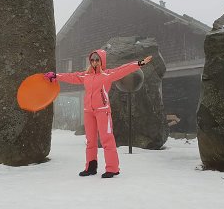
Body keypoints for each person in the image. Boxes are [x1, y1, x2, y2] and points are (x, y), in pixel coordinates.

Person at [45, 49, 152, 178]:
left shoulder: (108, 74)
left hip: (103, 111)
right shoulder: (86, 75)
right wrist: (56, 75)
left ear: (102, 61)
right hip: (88, 112)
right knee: (90, 141)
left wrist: (139, 63)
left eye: (97, 59)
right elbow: (72, 76)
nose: (94, 62)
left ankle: (112, 168)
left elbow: (124, 69)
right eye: (92, 60)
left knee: (107, 139)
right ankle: (91, 167)